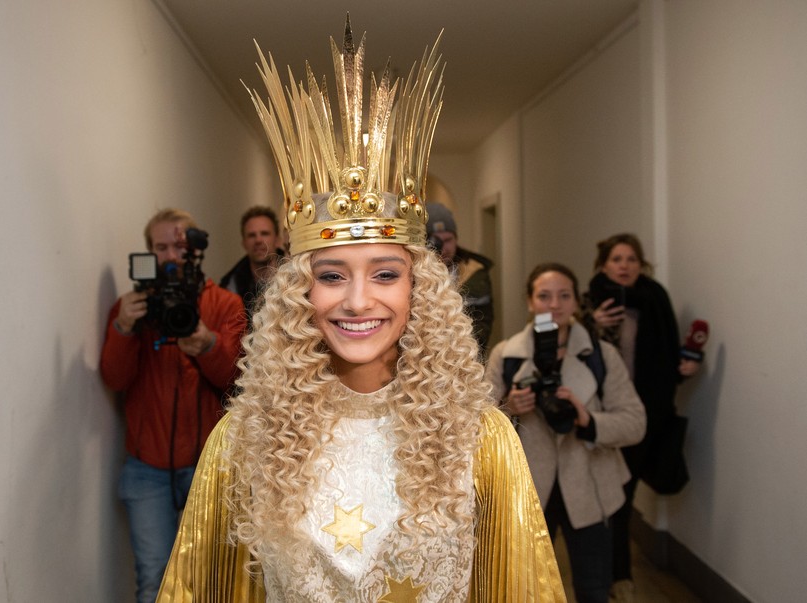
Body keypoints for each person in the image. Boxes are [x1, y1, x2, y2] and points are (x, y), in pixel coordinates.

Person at [157, 18, 566, 602]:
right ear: (301, 292)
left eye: (384, 273)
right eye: (330, 276)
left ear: (418, 288)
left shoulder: (481, 439)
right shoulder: (242, 442)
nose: (356, 300)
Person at [99, 208, 246, 603]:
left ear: (193, 250)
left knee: (212, 578)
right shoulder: (132, 308)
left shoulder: (225, 304)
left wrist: (208, 345)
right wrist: (123, 329)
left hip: (208, 466)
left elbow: (236, 382)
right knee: (155, 579)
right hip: (147, 467)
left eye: (178, 246)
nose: (170, 255)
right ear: (148, 253)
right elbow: (115, 379)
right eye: (160, 247)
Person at [485, 263, 646, 603]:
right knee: (524, 589)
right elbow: (476, 427)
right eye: (544, 296)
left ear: (575, 303)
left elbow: (635, 423)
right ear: (530, 302)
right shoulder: (506, 356)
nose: (554, 305)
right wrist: (511, 408)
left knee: (593, 587)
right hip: (526, 488)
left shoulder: (601, 355)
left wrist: (589, 420)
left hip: (589, 485)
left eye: (564, 296)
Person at [583, 233, 700, 602]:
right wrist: (592, 323)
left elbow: (668, 355)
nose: (624, 266)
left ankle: (620, 578)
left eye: (631, 259)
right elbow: (577, 354)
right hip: (601, 417)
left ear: (641, 265)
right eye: (617, 259)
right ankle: (607, 577)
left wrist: (687, 365)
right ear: (603, 265)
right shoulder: (590, 302)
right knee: (604, 498)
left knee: (623, 496)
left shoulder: (656, 300)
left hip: (643, 416)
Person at [425, 202, 495, 355]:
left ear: (456, 239)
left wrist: (463, 352)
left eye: (449, 240)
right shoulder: (414, 272)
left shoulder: (475, 272)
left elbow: (483, 323)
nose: (444, 247)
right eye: (437, 240)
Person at [219, 205, 285, 323]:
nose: (258, 240)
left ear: (277, 240)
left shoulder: (296, 275)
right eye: (251, 235)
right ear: (244, 243)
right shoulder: (230, 287)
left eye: (264, 233)